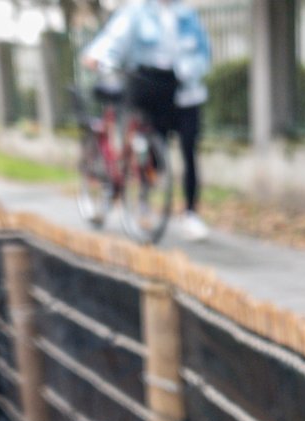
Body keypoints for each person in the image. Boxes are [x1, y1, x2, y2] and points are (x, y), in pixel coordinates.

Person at [82, 0, 212, 241]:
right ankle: (143, 201)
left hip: (186, 93)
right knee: (151, 151)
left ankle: (191, 214)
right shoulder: (138, 12)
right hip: (153, 91)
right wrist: (96, 56)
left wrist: (189, 71)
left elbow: (204, 52)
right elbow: (114, 38)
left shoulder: (187, 16)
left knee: (189, 151)